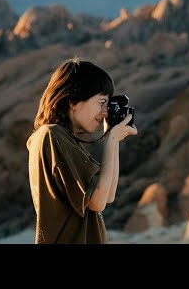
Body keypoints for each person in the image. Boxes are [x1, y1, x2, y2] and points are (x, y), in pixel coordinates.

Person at [27, 57, 138, 244]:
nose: (105, 112)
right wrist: (110, 140)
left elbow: (108, 194)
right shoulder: (53, 135)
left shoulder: (60, 138)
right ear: (73, 102)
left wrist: (114, 138)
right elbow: (97, 201)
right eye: (102, 102)